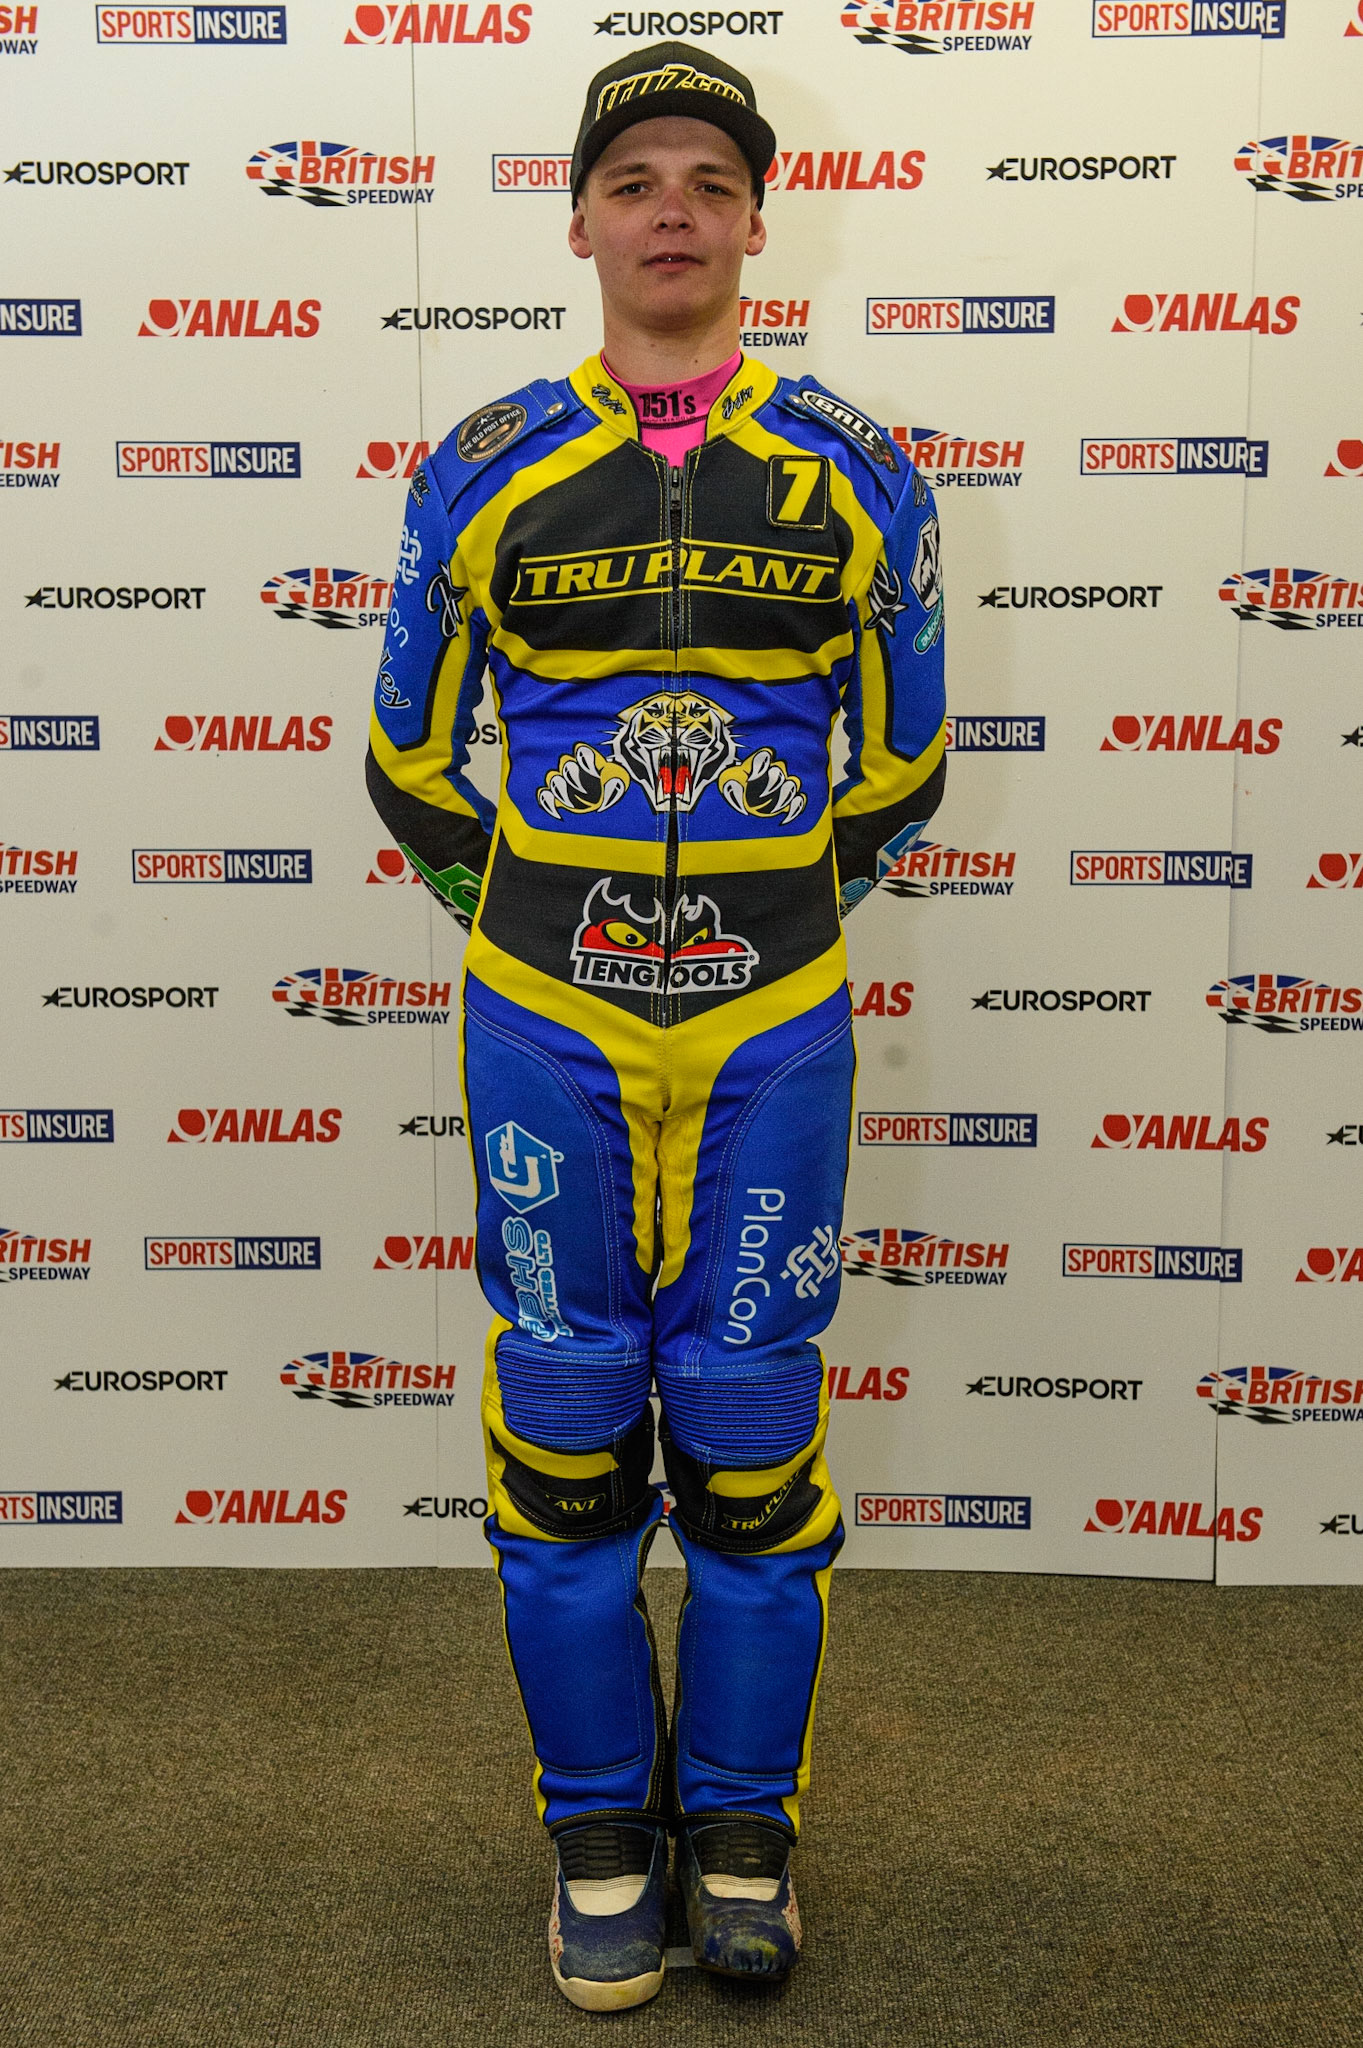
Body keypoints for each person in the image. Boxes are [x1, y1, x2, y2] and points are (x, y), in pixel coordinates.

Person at [365, 41, 945, 2011]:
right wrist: (546, 928)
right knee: (563, 1429)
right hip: (549, 1025)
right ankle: (601, 1833)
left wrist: (760, 926)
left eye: (709, 175)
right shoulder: (485, 460)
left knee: (759, 1435)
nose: (673, 209)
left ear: (759, 217)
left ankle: (748, 1823)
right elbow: (409, 761)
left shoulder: (859, 463)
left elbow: (910, 762)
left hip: (775, 1027)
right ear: (587, 219)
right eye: (636, 181)